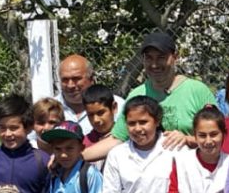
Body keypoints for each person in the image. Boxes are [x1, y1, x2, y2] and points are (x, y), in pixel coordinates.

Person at [82, 31, 216, 161]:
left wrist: (187, 139)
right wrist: (74, 158)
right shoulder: (137, 95)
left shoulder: (198, 91)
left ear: (175, 57)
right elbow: (117, 139)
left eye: (161, 57)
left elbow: (217, 136)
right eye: (149, 58)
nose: (154, 64)